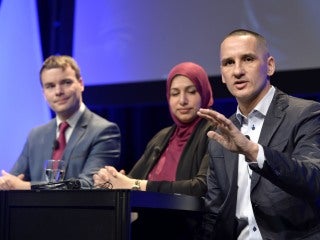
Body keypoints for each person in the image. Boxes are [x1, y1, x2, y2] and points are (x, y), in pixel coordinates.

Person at [196, 29, 320, 239]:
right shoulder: (220, 136)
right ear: (223, 75)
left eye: (247, 59)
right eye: (228, 63)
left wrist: (252, 151)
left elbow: (314, 178)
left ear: (270, 65)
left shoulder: (305, 114)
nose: (237, 71)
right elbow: (214, 212)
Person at [93, 61, 214, 239]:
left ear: (204, 93)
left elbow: (200, 187)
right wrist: (111, 180)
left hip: (188, 232)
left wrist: (133, 184)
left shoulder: (214, 132)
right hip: (148, 229)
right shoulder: (163, 136)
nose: (182, 100)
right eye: (175, 93)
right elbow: (131, 180)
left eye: (191, 91)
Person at [0, 55, 121, 190]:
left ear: (81, 84)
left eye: (66, 82)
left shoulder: (104, 131)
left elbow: (89, 185)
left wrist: (27, 186)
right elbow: (14, 180)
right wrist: (6, 182)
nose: (58, 91)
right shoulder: (36, 135)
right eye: (50, 86)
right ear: (43, 93)